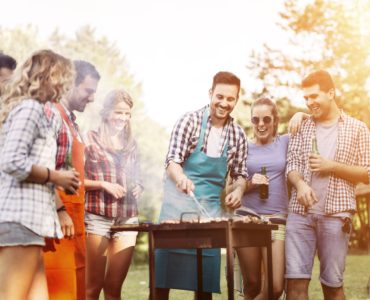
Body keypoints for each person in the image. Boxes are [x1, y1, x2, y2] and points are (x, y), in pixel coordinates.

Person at [155, 71, 248, 300]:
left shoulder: (237, 134)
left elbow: (240, 174)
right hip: (175, 214)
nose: (224, 103)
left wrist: (238, 190)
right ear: (210, 93)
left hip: (209, 217)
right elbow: (172, 161)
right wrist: (181, 178)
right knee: (160, 286)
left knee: (204, 287)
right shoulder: (190, 121)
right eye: (220, 96)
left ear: (236, 99)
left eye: (230, 99)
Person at [0, 49, 80, 300]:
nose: (66, 87)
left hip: (31, 222)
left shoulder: (39, 112)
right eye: (64, 79)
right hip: (19, 220)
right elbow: (12, 161)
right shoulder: (30, 109)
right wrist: (56, 177)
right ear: (49, 77)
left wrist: (61, 180)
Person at [285, 70, 370, 300]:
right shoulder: (301, 126)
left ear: (330, 93)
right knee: (294, 284)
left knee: (332, 286)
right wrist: (300, 185)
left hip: (336, 216)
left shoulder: (358, 128)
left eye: (314, 96)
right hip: (299, 215)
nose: (310, 102)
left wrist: (331, 165)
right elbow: (291, 164)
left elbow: (367, 173)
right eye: (306, 99)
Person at [43, 60, 100, 300]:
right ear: (69, 85)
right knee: (59, 288)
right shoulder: (51, 114)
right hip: (57, 218)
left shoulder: (72, 122)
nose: (92, 98)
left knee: (76, 287)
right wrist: (59, 209)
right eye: (88, 91)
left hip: (75, 217)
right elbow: (41, 165)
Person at [84, 89, 143, 300]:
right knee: (92, 287)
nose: (123, 118)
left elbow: (138, 177)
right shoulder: (89, 139)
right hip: (97, 216)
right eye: (119, 112)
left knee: (114, 287)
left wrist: (139, 187)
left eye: (127, 114)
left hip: (127, 218)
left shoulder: (132, 144)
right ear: (107, 112)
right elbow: (75, 179)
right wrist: (103, 184)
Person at [235, 97, 289, 300]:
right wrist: (250, 184)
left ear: (275, 120)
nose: (261, 124)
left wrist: (301, 114)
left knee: (275, 287)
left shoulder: (285, 142)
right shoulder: (243, 148)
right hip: (247, 218)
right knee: (252, 285)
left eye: (266, 119)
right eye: (256, 120)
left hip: (276, 219)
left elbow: (310, 127)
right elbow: (230, 189)